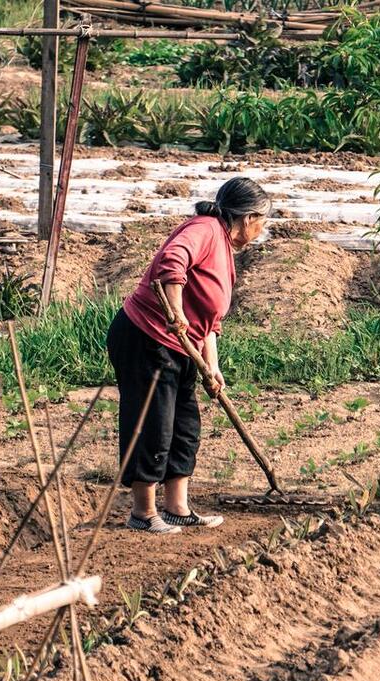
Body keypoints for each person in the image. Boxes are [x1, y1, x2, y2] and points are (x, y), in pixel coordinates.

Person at [106, 177, 271, 534]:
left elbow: (211, 321)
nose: (262, 230)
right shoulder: (206, 229)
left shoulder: (224, 248)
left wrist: (214, 368)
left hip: (182, 346)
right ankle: (142, 513)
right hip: (148, 337)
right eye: (263, 222)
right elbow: (172, 261)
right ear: (248, 218)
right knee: (153, 423)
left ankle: (177, 508)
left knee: (184, 427)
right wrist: (176, 312)